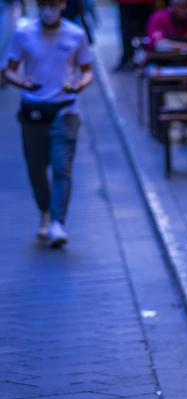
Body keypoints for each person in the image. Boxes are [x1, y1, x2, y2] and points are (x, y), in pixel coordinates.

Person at [4, 0, 93, 247]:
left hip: (65, 111)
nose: (48, 9)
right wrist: (22, 82)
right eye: (44, 4)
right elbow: (8, 70)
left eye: (53, 4)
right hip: (33, 111)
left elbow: (87, 70)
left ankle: (57, 222)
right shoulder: (23, 34)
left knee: (62, 167)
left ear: (63, 5)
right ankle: (45, 211)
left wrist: (79, 85)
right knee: (36, 169)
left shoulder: (76, 35)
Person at [114, 0, 153, 71]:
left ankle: (147, 58)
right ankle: (128, 59)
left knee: (146, 29)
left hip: (145, 2)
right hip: (127, 2)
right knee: (127, 30)